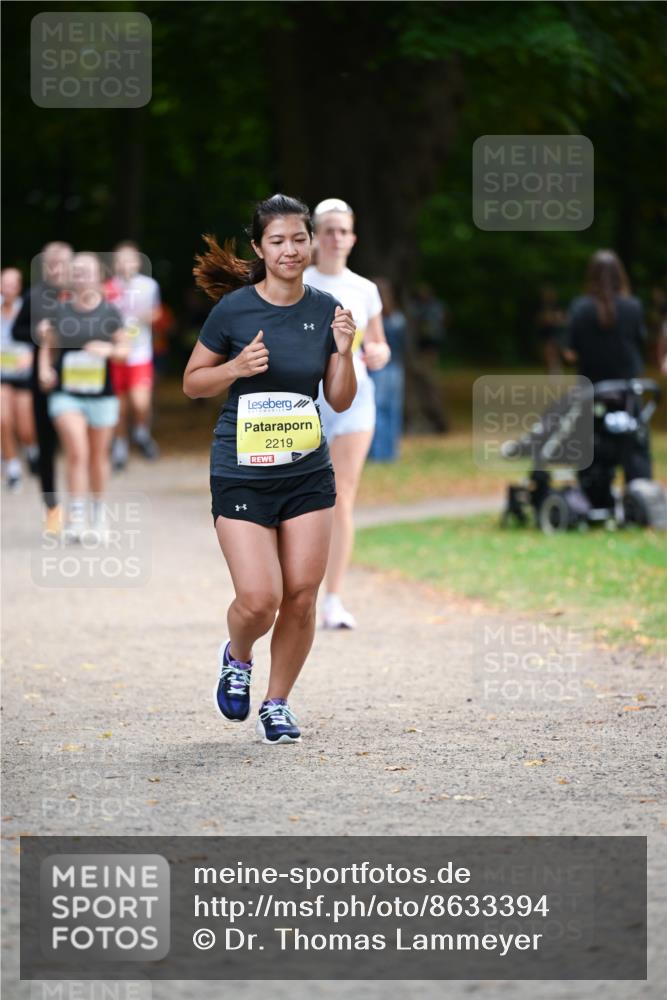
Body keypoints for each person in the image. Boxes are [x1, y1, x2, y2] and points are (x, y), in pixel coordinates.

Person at [183, 194, 356, 745]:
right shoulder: (233, 311)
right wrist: (235, 367)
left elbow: (341, 399)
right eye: (277, 241)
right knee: (261, 599)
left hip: (306, 471)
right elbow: (192, 382)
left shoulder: (327, 310)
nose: (290, 249)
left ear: (311, 243)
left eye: (299, 239)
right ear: (259, 248)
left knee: (302, 594)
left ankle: (277, 704)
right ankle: (237, 655)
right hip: (241, 470)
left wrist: (346, 351)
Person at [304, 197, 390, 630]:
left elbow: (379, 343)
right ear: (316, 236)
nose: (336, 237)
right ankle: (296, 591)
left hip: (356, 399)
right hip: (306, 400)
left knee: (341, 499)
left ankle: (333, 599)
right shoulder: (298, 280)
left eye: (344, 231)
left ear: (353, 238)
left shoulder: (365, 289)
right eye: (329, 230)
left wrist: (378, 352)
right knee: (299, 499)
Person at [38, 252, 129, 541]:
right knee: (77, 451)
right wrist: (44, 371)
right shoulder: (59, 310)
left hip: (102, 395)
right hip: (67, 394)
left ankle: (98, 515)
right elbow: (48, 347)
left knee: (97, 456)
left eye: (86, 272)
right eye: (75, 272)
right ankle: (75, 519)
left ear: (99, 276)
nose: (80, 277)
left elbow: (125, 350)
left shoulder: (111, 312)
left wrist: (108, 351)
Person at [562, 249, 651, 507]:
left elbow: (570, 352)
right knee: (635, 443)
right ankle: (640, 501)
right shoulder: (633, 307)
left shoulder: (581, 308)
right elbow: (639, 342)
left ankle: (594, 498)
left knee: (589, 443)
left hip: (592, 392)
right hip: (626, 393)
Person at [11, 241, 73, 532]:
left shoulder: (83, 294)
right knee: (46, 446)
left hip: (77, 381)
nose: (57, 269)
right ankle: (52, 509)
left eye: (63, 264)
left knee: (76, 447)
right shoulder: (35, 296)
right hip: (43, 381)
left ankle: (82, 510)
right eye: (52, 264)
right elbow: (16, 330)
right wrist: (35, 333)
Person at [105, 242, 161, 469]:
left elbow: (158, 313)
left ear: (137, 262)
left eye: (129, 259)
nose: (125, 264)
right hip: (117, 354)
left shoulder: (149, 286)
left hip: (140, 352)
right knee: (119, 406)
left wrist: (146, 317)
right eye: (120, 260)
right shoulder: (108, 287)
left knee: (140, 402)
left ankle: (141, 432)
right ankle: (120, 445)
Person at [1, 267, 38, 490]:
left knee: (25, 425)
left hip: (23, 373)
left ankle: (31, 447)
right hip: (2, 373)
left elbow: (38, 336)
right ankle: (12, 465)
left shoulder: (26, 308)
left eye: (13, 285)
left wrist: (31, 356)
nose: (8, 289)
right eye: (4, 284)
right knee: (3, 419)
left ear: (19, 287)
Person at [368, 277, 407, 462]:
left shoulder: (374, 319)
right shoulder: (398, 318)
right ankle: (391, 453)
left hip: (379, 368)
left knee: (377, 410)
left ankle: (378, 453)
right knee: (393, 410)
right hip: (396, 368)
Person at [534, 284, 566, 375]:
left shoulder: (556, 305)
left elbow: (562, 318)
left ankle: (555, 368)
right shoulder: (541, 306)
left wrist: (554, 319)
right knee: (546, 351)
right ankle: (550, 368)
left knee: (553, 349)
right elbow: (539, 319)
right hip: (544, 332)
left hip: (554, 331)